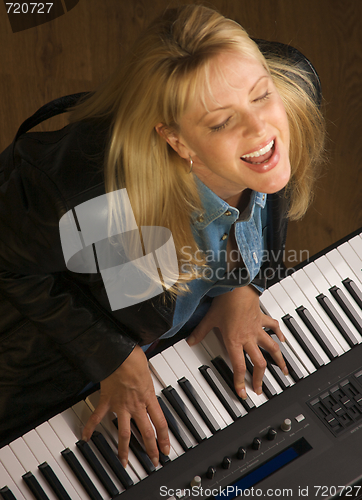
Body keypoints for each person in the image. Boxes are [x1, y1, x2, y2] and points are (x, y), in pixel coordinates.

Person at [0, 4, 325, 469]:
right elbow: (9, 262)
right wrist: (110, 355)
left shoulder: (291, 91)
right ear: (178, 141)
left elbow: (271, 165)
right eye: (221, 122)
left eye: (260, 96)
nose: (262, 130)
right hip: (50, 353)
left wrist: (244, 286)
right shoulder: (102, 202)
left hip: (158, 315)